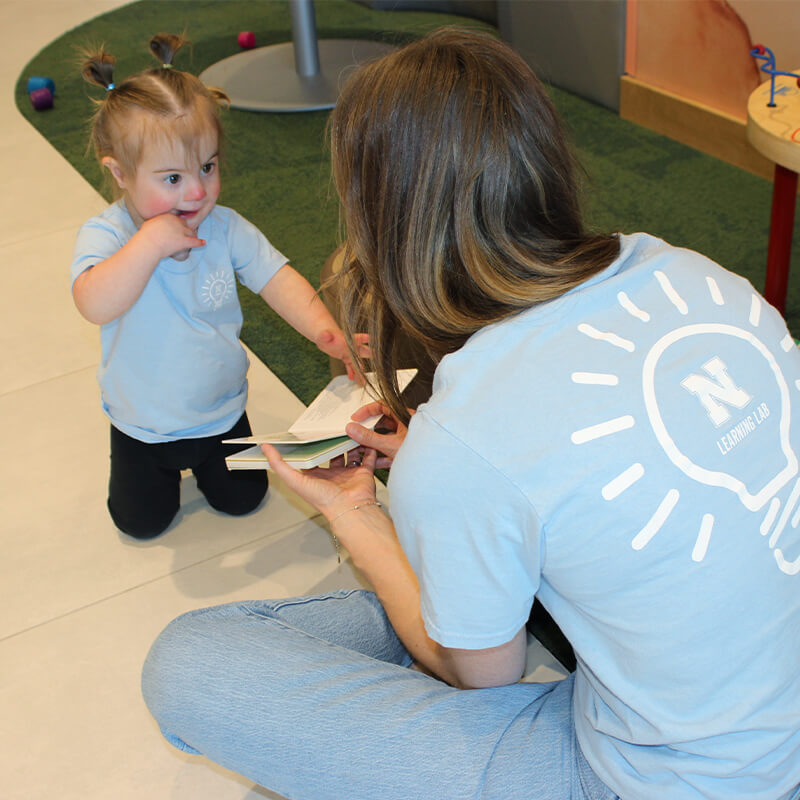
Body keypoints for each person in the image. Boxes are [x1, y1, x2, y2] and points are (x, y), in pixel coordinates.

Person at [141, 29, 800, 799]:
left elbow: (484, 676)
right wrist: (453, 481)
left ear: (382, 218)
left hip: (684, 780)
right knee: (515, 565)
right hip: (750, 704)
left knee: (192, 660)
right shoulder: (690, 269)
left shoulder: (462, 449)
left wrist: (360, 513)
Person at [72, 34, 365, 539]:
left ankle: (215, 469)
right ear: (119, 173)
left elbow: (277, 279)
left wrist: (326, 332)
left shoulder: (224, 226)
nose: (197, 190)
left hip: (221, 413)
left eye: (207, 166)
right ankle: (153, 480)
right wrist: (148, 244)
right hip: (142, 424)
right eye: (171, 179)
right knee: (139, 523)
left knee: (244, 501)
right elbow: (94, 302)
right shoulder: (108, 235)